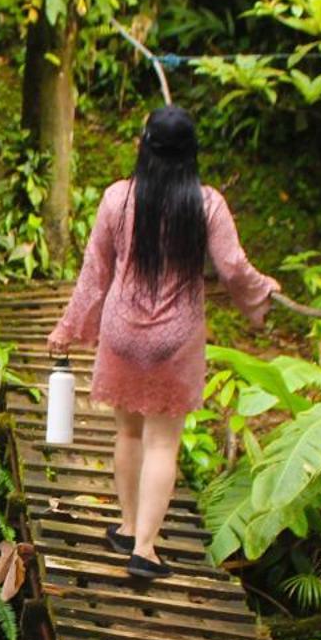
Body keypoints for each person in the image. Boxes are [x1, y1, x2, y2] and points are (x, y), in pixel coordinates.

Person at [45, 105, 280, 581]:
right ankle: (146, 549)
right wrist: (263, 294)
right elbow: (232, 267)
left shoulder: (117, 199)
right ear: (192, 154)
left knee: (128, 433)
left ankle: (128, 526)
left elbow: (95, 273)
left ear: (143, 146)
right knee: (161, 444)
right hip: (175, 337)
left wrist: (68, 328)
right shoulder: (207, 204)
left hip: (122, 330)